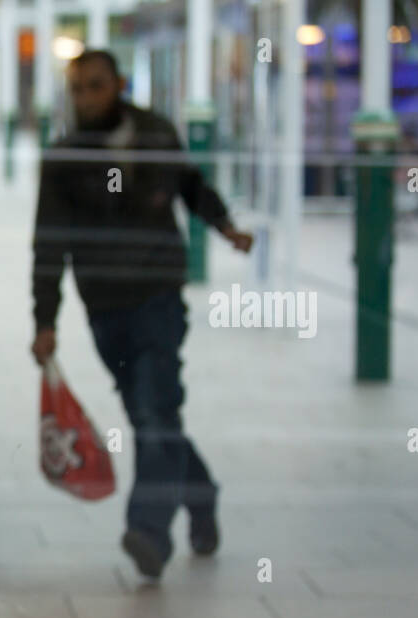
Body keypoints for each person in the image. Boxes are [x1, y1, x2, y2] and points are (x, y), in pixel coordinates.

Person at [30, 49, 254, 579]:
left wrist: (224, 225)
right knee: (150, 414)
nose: (86, 98)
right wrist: (45, 320)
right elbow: (48, 242)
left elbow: (191, 186)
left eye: (96, 86)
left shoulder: (156, 133)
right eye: (78, 88)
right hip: (104, 306)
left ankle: (149, 532)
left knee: (154, 412)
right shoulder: (65, 155)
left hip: (157, 294)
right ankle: (202, 495)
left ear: (119, 85)